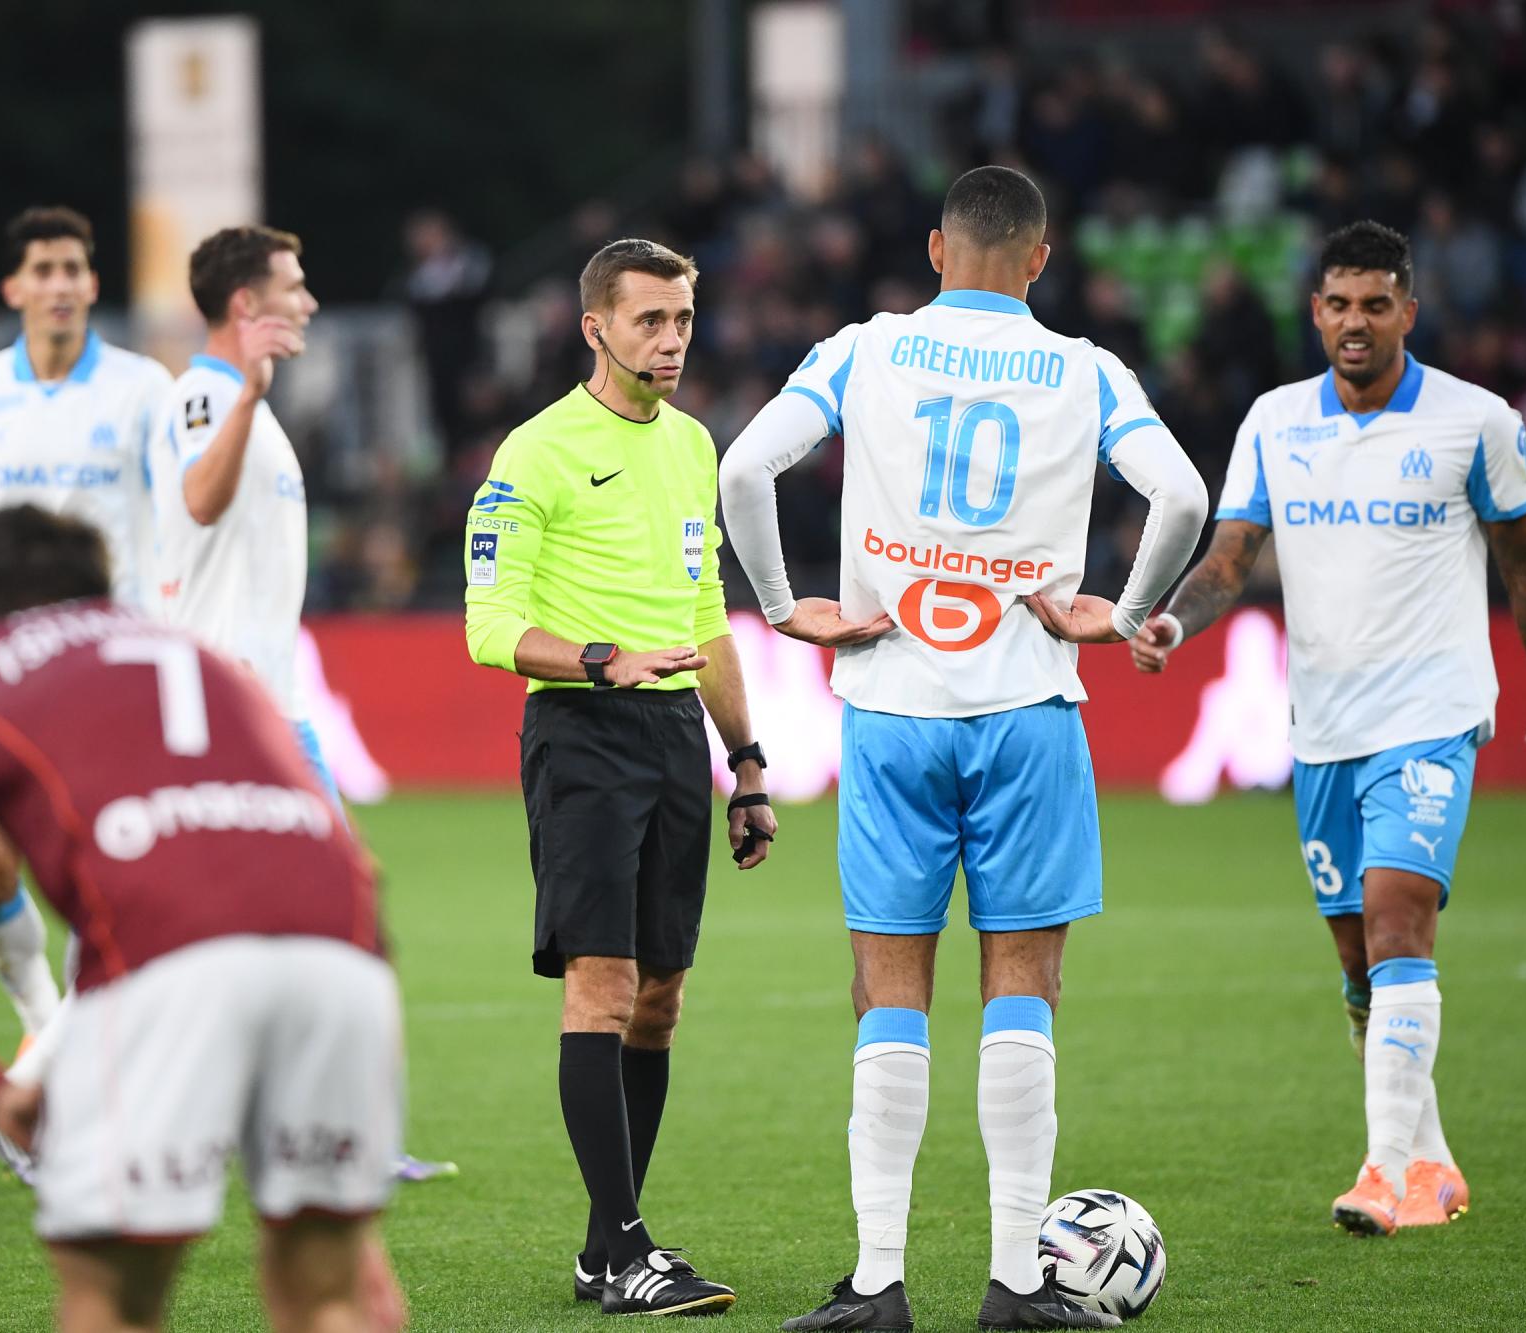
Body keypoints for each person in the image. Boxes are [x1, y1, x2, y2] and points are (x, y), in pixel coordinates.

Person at [718, 166, 1207, 1332]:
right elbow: (1180, 498)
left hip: (891, 708)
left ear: (937, 248)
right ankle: (1016, 1285)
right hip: (1027, 709)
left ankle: (879, 1285)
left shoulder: (862, 349)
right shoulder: (1089, 371)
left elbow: (741, 468)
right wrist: (1120, 613)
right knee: (1021, 987)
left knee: (888, 992)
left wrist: (789, 606)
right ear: (1038, 259)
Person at [0, 506, 407, 1333]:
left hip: (166, 966)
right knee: (332, 1298)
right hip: (343, 951)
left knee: (112, 1298)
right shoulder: (200, 655)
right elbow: (359, 862)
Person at [1128, 220, 1526, 1236]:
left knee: (1396, 921)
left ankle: (1381, 1173)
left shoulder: (1474, 422)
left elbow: (1525, 572)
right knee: (1356, 961)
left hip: (1431, 714)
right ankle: (1433, 1162)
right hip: (1321, 723)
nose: (1353, 322)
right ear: (1314, 312)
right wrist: (1170, 619)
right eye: (1335, 304)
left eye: (1374, 304)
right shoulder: (1274, 421)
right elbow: (1229, 559)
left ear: (1407, 311)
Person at [463, 237, 776, 1318]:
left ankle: (611, 1248)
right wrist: (602, 657)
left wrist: (745, 763)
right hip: (581, 733)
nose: (673, 339)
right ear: (594, 327)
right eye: (649, 320)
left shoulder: (693, 446)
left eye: (683, 318)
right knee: (599, 985)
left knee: (660, 1002)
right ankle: (625, 1242)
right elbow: (488, 625)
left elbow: (704, 622)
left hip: (671, 740)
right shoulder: (535, 452)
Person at [148, 223, 455, 1186]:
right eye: (294, 284)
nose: (310, 301)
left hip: (267, 706)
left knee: (296, 917)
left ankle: (323, 1122)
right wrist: (246, 393)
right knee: (312, 911)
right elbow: (199, 500)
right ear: (247, 305)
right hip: (229, 709)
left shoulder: (250, 406)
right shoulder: (204, 395)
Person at [0, 206, 173, 1063]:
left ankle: (53, 1061)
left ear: (94, 284)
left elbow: (174, 523)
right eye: (45, 269)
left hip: (109, 659)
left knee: (90, 867)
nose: (61, 284)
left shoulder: (143, 388)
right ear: (14, 287)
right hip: (1, 657)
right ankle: (43, 1018)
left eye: (74, 268)